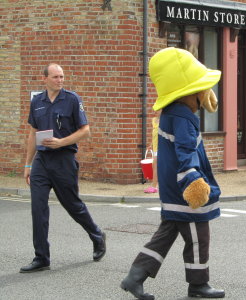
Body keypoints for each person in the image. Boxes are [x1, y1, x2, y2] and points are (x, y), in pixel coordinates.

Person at [120, 47, 225, 299]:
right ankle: (198, 285)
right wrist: (193, 179)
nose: (205, 93)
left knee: (165, 235)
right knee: (199, 238)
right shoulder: (184, 117)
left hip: (171, 188)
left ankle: (134, 277)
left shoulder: (171, 113)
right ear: (188, 92)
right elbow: (186, 151)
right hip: (184, 192)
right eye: (201, 89)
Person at [20, 63, 106, 273]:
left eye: (62, 76)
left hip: (64, 160)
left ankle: (97, 235)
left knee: (72, 205)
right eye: (56, 77)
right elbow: (33, 133)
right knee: (37, 209)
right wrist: (28, 163)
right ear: (45, 79)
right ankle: (41, 257)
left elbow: (85, 131)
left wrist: (62, 142)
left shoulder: (72, 99)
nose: (60, 80)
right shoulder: (37, 102)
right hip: (42, 161)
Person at [144, 110, 161, 193]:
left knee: (155, 166)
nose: (155, 111)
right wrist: (151, 145)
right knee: (155, 165)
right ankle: (155, 185)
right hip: (155, 148)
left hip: (161, 148)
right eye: (154, 109)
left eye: (158, 109)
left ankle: (154, 186)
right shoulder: (154, 120)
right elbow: (154, 134)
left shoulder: (164, 121)